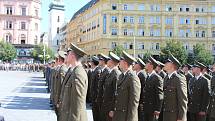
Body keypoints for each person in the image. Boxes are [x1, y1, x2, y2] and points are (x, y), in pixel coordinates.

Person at [110, 51, 141, 121]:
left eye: (120, 60)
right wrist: (113, 109)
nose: (119, 62)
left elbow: (134, 102)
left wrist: (131, 119)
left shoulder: (133, 77)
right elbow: (116, 96)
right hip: (118, 115)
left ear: (125, 63)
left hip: (126, 117)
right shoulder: (121, 76)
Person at [163, 54, 188, 121]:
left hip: (175, 116)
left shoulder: (179, 79)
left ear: (172, 65)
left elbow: (183, 100)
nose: (164, 63)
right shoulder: (166, 78)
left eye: (167, 62)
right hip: (166, 115)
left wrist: (181, 118)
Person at [100, 52, 121, 121]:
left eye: (108, 60)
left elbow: (116, 93)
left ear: (111, 61)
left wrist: (112, 109)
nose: (107, 61)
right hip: (106, 105)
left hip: (110, 107)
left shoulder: (116, 74)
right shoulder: (111, 73)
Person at [141, 56, 163, 121]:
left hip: (152, 109)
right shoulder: (148, 76)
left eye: (147, 63)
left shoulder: (157, 78)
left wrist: (158, 109)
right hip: (146, 108)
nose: (145, 64)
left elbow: (160, 95)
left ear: (151, 65)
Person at [53, 51, 68, 120]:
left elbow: (61, 86)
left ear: (59, 59)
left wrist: (59, 100)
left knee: (60, 117)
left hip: (59, 99)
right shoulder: (60, 68)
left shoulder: (63, 69)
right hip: (57, 98)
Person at [96, 53, 110, 120]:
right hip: (100, 99)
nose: (99, 61)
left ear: (104, 61)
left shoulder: (107, 71)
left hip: (104, 100)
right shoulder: (103, 71)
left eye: (100, 60)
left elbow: (106, 88)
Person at [90, 56, 102, 121]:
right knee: (94, 114)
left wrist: (96, 98)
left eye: (91, 62)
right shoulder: (95, 71)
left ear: (93, 63)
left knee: (97, 115)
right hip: (94, 97)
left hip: (96, 98)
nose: (90, 63)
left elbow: (98, 87)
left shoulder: (98, 71)